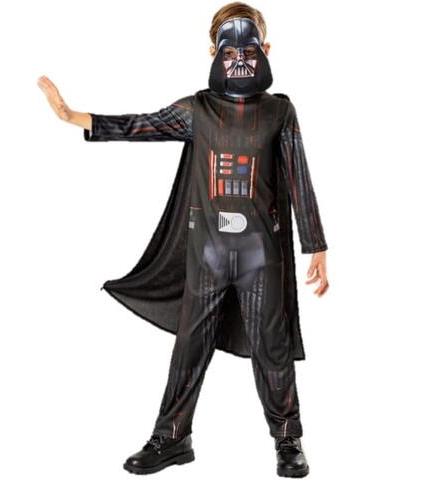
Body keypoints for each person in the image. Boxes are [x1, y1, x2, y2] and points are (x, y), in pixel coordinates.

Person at [38, 2, 329, 477]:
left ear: (266, 48)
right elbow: (140, 125)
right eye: (228, 49)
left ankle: (287, 439)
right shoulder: (197, 110)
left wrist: (315, 246)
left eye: (249, 47)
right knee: (190, 347)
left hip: (261, 255)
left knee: (271, 347)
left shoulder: (279, 111)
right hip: (208, 255)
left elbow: (299, 176)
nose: (239, 57)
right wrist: (73, 116)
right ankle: (172, 438)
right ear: (213, 52)